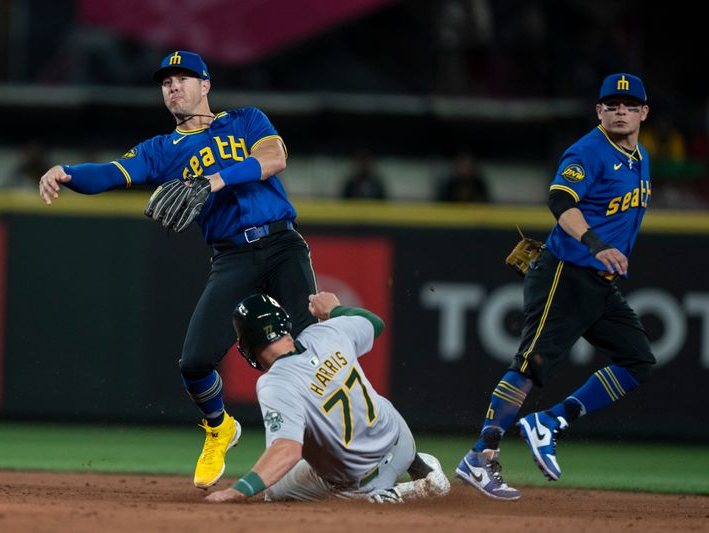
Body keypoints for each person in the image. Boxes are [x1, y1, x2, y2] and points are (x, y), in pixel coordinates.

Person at [38, 51, 318, 489]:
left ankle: (341, 442)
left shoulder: (245, 120)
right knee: (194, 362)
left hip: (283, 243)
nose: (172, 87)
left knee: (314, 347)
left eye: (182, 78)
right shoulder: (160, 151)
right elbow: (111, 173)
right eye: (165, 82)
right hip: (232, 257)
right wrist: (68, 173)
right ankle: (219, 428)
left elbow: (274, 159)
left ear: (205, 85)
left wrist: (214, 180)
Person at [455, 73, 656, 500]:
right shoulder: (588, 151)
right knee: (532, 365)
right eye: (611, 104)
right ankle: (479, 457)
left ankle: (550, 421)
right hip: (567, 272)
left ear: (644, 112)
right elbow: (560, 200)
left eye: (629, 104)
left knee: (637, 360)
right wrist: (595, 243)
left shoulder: (642, 159)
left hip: (599, 284)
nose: (620, 110)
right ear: (598, 110)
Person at [205, 291, 450, 503]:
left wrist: (238, 492)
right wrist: (335, 309)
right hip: (401, 440)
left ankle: (395, 494)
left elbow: (287, 450)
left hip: (361, 481)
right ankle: (418, 466)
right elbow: (374, 323)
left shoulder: (275, 383)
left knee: (274, 489)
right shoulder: (327, 332)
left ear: (246, 344)